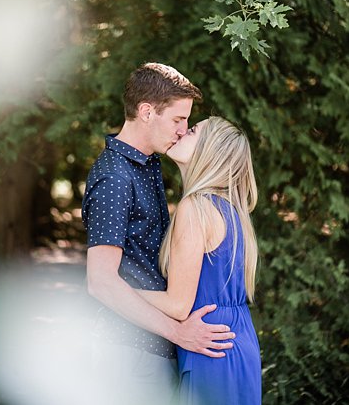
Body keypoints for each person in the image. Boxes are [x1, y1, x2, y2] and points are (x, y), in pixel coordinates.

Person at [83, 63, 235, 400]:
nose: (183, 130)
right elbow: (101, 282)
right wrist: (180, 333)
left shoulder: (148, 163)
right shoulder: (114, 179)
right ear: (147, 112)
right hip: (127, 350)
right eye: (178, 120)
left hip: (152, 347)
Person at [137, 117, 261, 404]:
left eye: (192, 130)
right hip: (235, 343)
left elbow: (178, 306)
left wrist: (117, 290)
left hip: (210, 347)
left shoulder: (196, 208)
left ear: (210, 150)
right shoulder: (231, 209)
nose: (181, 130)